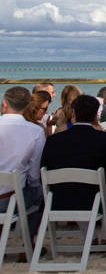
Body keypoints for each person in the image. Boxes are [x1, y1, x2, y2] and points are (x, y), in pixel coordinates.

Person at [40, 95, 106, 212]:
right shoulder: (105, 139)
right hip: (94, 202)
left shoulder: (53, 140)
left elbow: (42, 169)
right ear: (95, 117)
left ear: (73, 114)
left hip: (57, 201)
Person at [0, 86, 46, 228]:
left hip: (8, 198)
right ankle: (29, 242)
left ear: (4, 104)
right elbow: (34, 175)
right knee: (41, 192)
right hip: (10, 199)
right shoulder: (36, 131)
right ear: (26, 105)